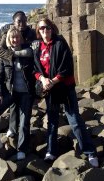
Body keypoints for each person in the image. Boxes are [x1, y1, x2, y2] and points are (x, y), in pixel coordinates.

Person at [33, 18, 99, 167]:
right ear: (38, 31)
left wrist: (53, 81)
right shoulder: (38, 47)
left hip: (64, 87)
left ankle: (90, 152)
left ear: (52, 28)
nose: (45, 30)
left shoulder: (60, 43)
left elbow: (67, 67)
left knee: (74, 120)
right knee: (52, 121)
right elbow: (35, 69)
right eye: (41, 28)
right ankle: (51, 150)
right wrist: (43, 79)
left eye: (47, 27)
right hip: (50, 89)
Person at [0, 27, 35, 160]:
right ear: (8, 39)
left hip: (26, 92)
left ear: (21, 38)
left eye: (17, 36)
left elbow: (37, 67)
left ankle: (22, 148)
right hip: (11, 92)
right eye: (12, 37)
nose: (15, 39)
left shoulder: (29, 52)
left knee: (24, 122)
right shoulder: (5, 56)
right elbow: (0, 76)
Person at [0, 11, 36, 138]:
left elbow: (37, 48)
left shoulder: (31, 33)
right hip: (12, 71)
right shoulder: (7, 34)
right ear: (14, 22)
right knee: (14, 105)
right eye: (19, 21)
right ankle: (12, 128)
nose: (22, 23)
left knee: (25, 108)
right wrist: (15, 55)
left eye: (24, 20)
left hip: (26, 72)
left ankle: (23, 134)